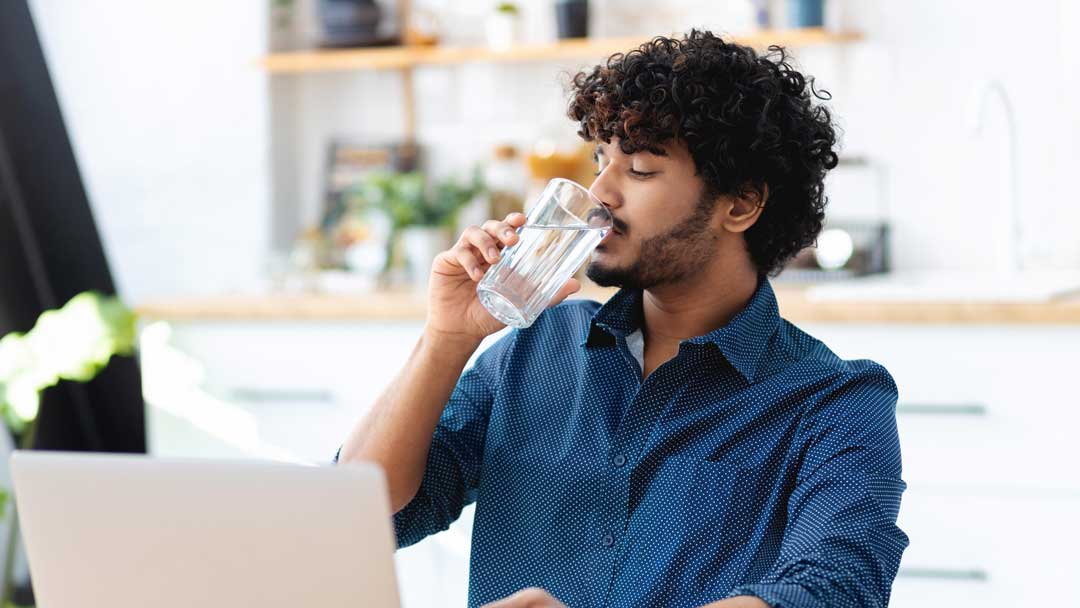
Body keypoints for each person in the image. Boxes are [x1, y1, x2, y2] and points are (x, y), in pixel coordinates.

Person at [334, 29, 908, 608]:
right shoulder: (535, 350)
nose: (599, 193)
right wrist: (445, 339)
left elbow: (835, 587)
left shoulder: (834, 401)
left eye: (638, 169)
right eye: (601, 159)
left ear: (740, 204)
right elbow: (363, 515)